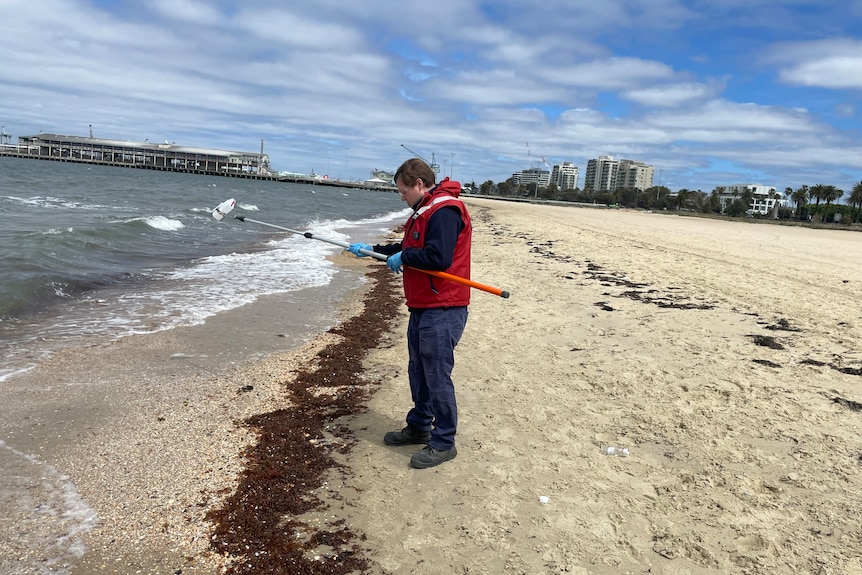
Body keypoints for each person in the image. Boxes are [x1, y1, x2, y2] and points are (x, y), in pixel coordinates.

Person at [347, 157, 471, 469]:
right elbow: (409, 247)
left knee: (436, 374)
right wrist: (373, 250)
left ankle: (444, 442)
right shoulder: (425, 210)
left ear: (418, 184)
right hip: (423, 306)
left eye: (403, 191)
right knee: (419, 369)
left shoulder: (444, 210)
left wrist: (405, 255)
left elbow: (437, 257)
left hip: (443, 307)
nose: (401, 197)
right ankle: (419, 426)